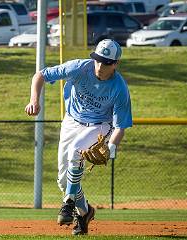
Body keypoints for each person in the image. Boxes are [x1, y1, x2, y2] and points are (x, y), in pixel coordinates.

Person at [24, 39, 133, 235]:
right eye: (98, 60)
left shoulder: (119, 88)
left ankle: (67, 204)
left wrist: (110, 148)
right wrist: (34, 100)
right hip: (71, 121)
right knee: (63, 181)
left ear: (115, 64)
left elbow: (120, 127)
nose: (99, 66)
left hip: (99, 126)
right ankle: (84, 212)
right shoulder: (79, 67)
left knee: (76, 150)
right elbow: (40, 75)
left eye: (106, 62)